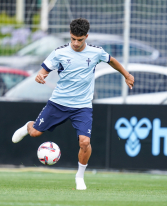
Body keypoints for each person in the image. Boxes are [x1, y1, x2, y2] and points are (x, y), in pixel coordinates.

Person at [12, 18, 134, 190]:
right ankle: (27, 127)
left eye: (80, 40)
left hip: (82, 106)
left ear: (86, 36)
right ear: (70, 35)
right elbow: (44, 71)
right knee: (35, 133)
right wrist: (40, 76)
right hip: (58, 103)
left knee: (84, 142)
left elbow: (112, 60)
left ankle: (80, 177)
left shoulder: (96, 52)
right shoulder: (59, 52)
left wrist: (126, 75)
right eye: (73, 39)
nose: (76, 43)